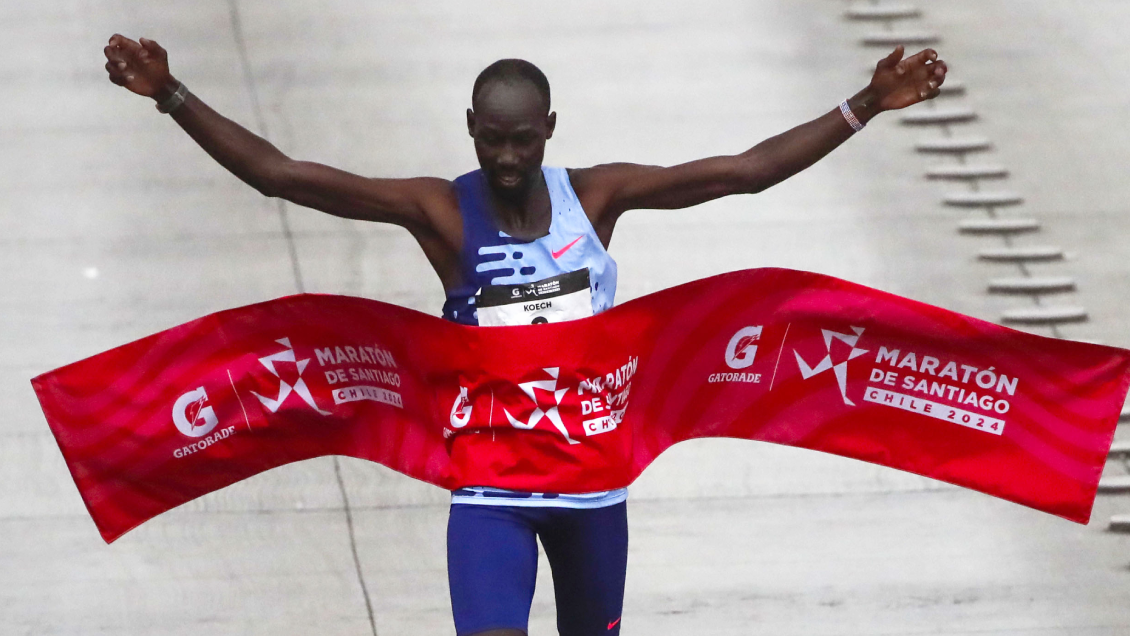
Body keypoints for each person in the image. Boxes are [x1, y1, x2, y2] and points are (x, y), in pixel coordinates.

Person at [102, 33, 947, 636]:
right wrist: (173, 96)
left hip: (593, 496)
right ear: (471, 126)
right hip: (490, 497)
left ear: (551, 127)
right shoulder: (440, 211)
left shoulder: (598, 198)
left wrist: (865, 103)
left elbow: (743, 175)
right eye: (493, 139)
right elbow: (283, 177)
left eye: (524, 139)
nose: (508, 157)